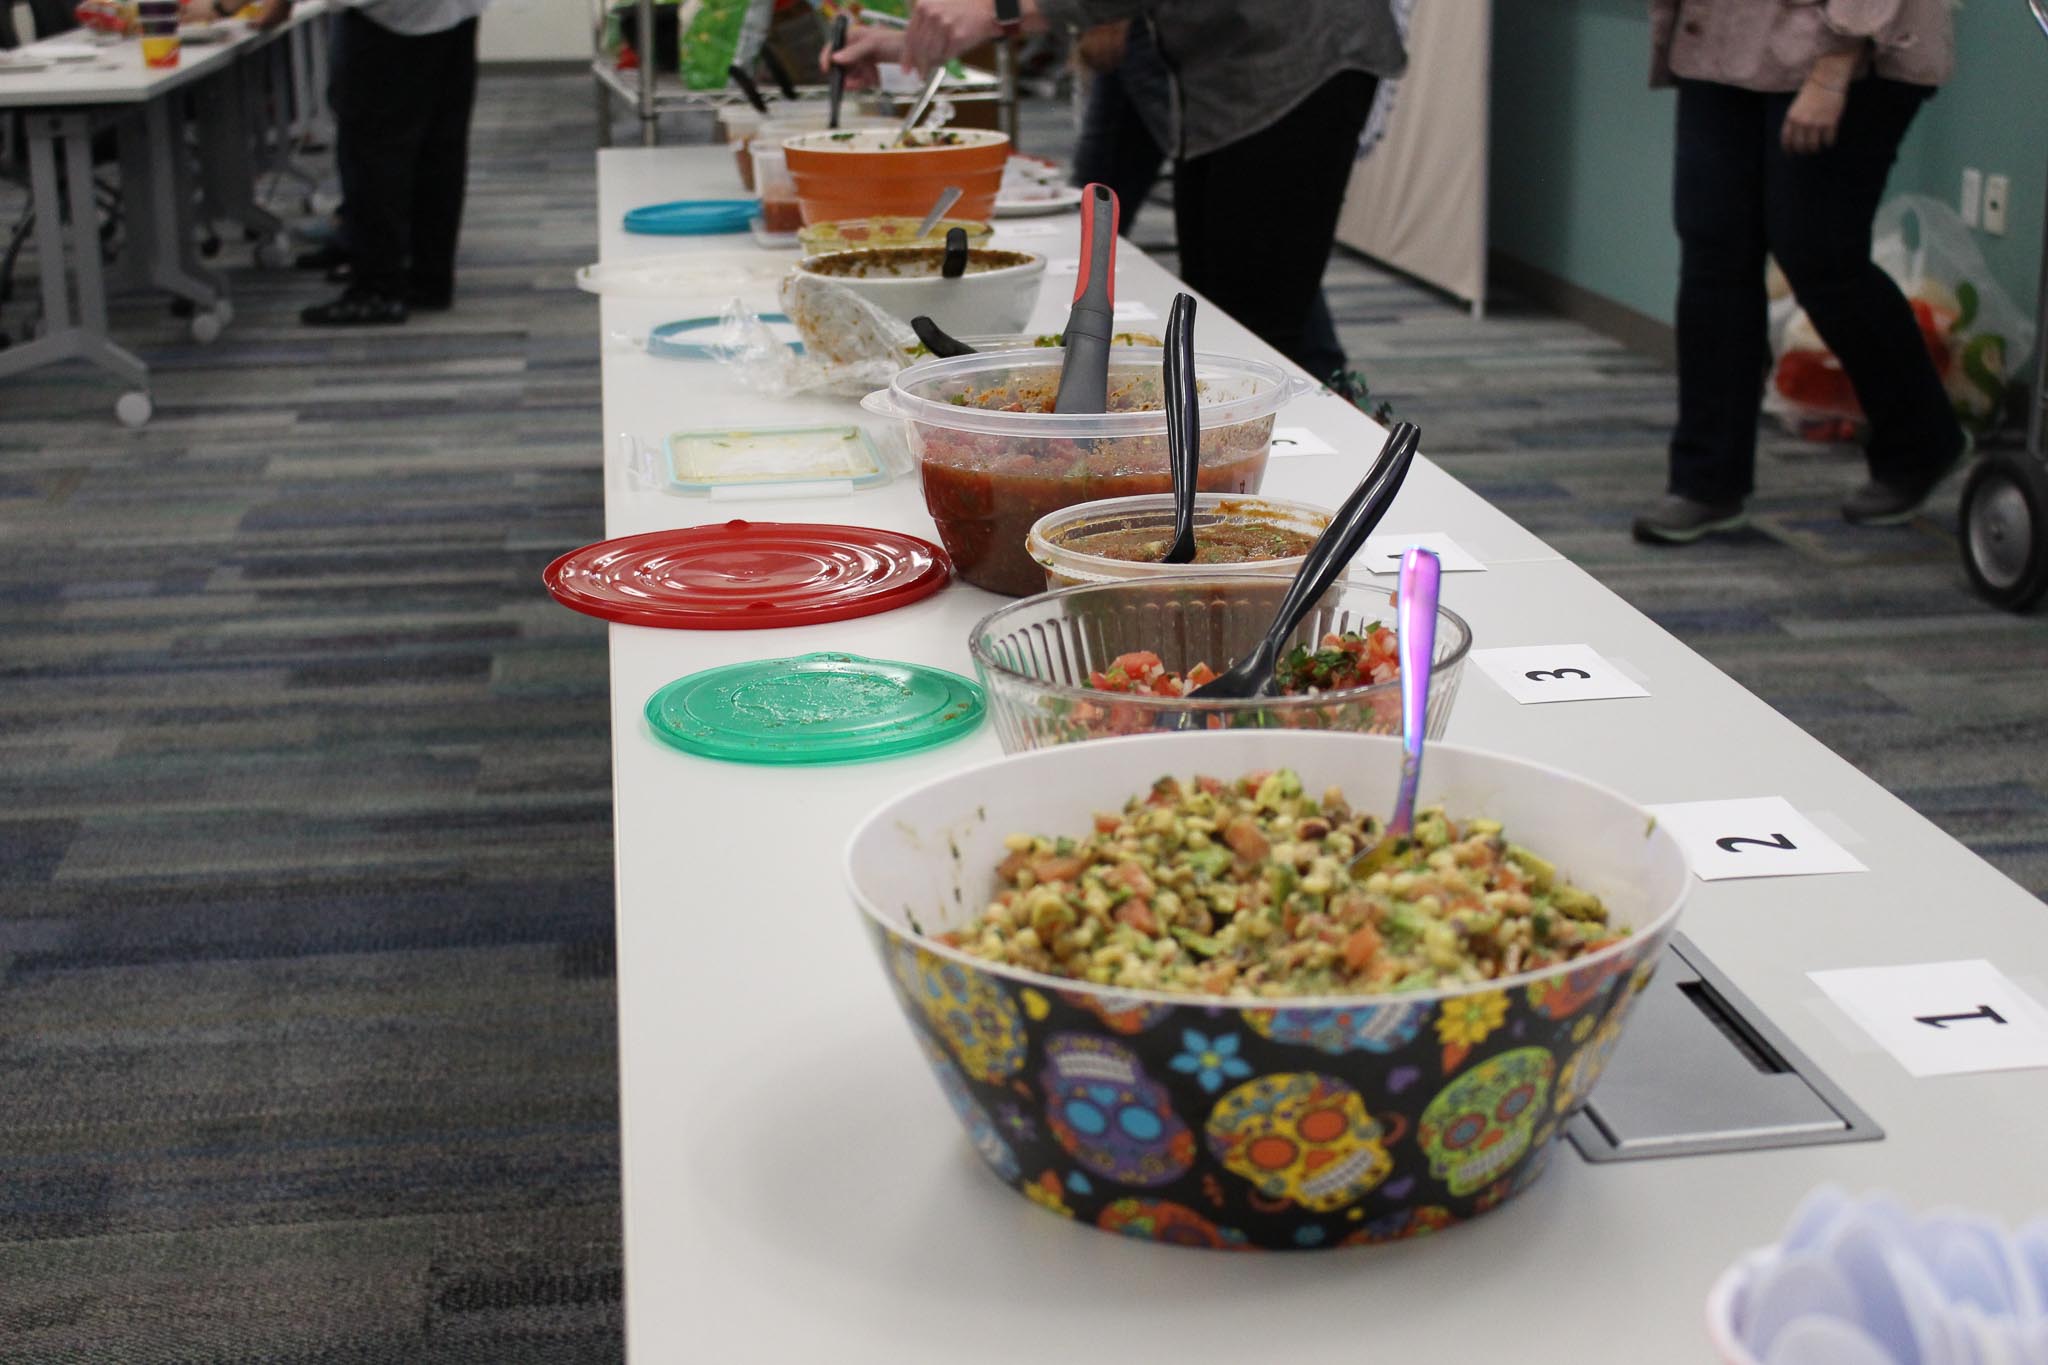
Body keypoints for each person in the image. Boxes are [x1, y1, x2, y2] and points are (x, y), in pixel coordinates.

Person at [829, 0, 1406, 381]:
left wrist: (1004, 8)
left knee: (1253, 330)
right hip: (1220, 67)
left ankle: (1264, 525)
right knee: (1219, 320)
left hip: (1290, 58)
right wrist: (912, 38)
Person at [1633, 0, 1965, 544]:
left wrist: (1833, 69)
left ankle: (1922, 440)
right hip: (1723, 45)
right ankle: (1706, 482)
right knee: (1712, 251)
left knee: (1818, 254)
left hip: (1848, 45)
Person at [300, 0, 491, 325]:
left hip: (389, 19)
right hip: (453, 13)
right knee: (437, 152)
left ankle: (378, 290)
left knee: (375, 157)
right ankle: (429, 279)